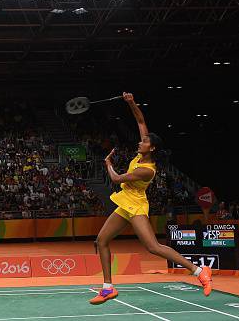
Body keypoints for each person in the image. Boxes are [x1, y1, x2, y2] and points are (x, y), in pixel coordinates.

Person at [89, 92, 212, 305]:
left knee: (153, 246)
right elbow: (140, 120)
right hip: (125, 201)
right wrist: (131, 102)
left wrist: (108, 164)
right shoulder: (140, 155)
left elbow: (117, 179)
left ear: (152, 148)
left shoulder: (147, 170)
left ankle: (199, 270)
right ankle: (108, 288)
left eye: (144, 141)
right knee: (101, 240)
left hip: (135, 205)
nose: (140, 142)